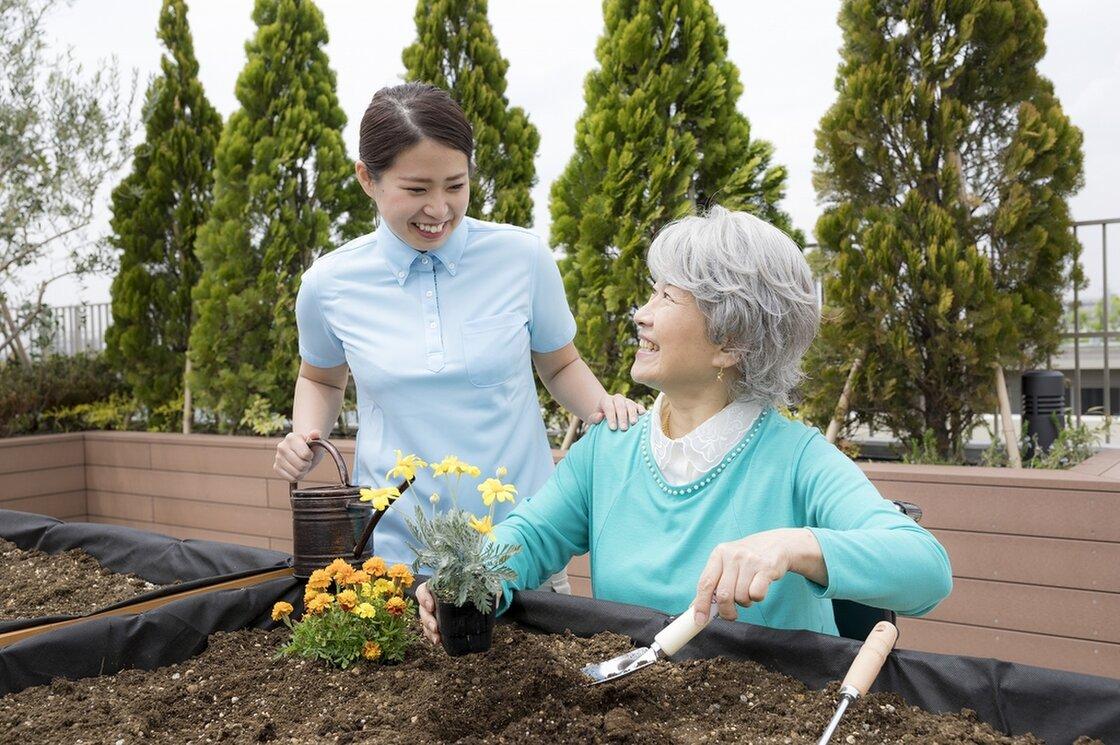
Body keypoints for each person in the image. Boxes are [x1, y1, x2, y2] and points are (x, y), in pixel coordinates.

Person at [417, 205, 952, 642]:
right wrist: (468, 575)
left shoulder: (796, 459)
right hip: (630, 709)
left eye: (666, 298)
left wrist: (792, 547)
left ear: (731, 343)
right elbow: (530, 537)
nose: (641, 314)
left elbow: (927, 569)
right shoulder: (610, 447)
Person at [273, 83, 643, 583]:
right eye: (417, 189)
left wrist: (606, 412)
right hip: (397, 555)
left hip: (522, 544)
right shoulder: (329, 284)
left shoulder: (522, 258)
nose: (439, 209)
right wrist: (304, 435)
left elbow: (559, 363)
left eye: (455, 185)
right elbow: (320, 379)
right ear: (368, 179)